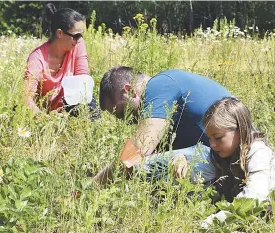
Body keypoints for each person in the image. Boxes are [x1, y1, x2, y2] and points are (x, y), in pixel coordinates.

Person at [192, 97, 275, 232]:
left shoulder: (258, 152)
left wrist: (211, 223)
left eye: (219, 137)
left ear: (240, 130)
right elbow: (199, 175)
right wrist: (182, 161)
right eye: (209, 138)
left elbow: (254, 197)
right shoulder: (223, 154)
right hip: (263, 216)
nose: (213, 144)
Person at [94, 66, 231, 184]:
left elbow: (137, 152)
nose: (126, 120)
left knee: (138, 167)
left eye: (121, 113)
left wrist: (94, 185)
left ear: (130, 91)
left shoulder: (159, 86)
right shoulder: (165, 93)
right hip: (224, 159)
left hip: (226, 156)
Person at [23, 3, 100, 119]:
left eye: (81, 35)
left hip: (69, 109)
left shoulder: (77, 45)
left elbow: (82, 82)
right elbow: (26, 97)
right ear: (59, 33)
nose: (79, 39)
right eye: (76, 35)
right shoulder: (37, 58)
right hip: (45, 116)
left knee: (90, 105)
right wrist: (43, 119)